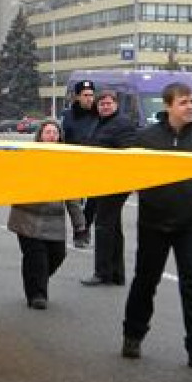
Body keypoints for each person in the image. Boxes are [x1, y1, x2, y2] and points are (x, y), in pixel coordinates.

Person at [121, 82, 192, 373]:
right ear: (168, 106)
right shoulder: (147, 138)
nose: (190, 106)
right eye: (184, 102)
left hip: (190, 224)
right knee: (145, 281)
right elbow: (128, 171)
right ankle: (132, 335)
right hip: (153, 223)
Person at [8, 119, 69, 309]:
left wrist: (80, 225)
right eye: (48, 132)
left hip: (54, 219)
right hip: (27, 216)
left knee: (58, 255)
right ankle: (37, 295)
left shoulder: (67, 161)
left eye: (55, 132)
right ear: (40, 136)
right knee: (36, 256)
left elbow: (73, 195)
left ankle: (36, 279)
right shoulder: (28, 156)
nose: (52, 135)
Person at [81, 89, 137, 286]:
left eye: (108, 103)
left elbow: (127, 154)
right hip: (103, 181)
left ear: (116, 104)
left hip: (115, 182)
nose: (105, 107)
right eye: (101, 104)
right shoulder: (101, 122)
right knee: (113, 227)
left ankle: (102, 272)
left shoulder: (122, 124)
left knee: (103, 225)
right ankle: (116, 273)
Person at [61, 80, 98, 247]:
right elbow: (62, 138)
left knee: (93, 201)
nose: (89, 98)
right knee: (74, 201)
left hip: (93, 164)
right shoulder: (68, 116)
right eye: (85, 95)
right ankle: (80, 230)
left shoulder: (98, 114)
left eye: (91, 95)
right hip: (73, 164)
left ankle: (85, 226)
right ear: (77, 97)